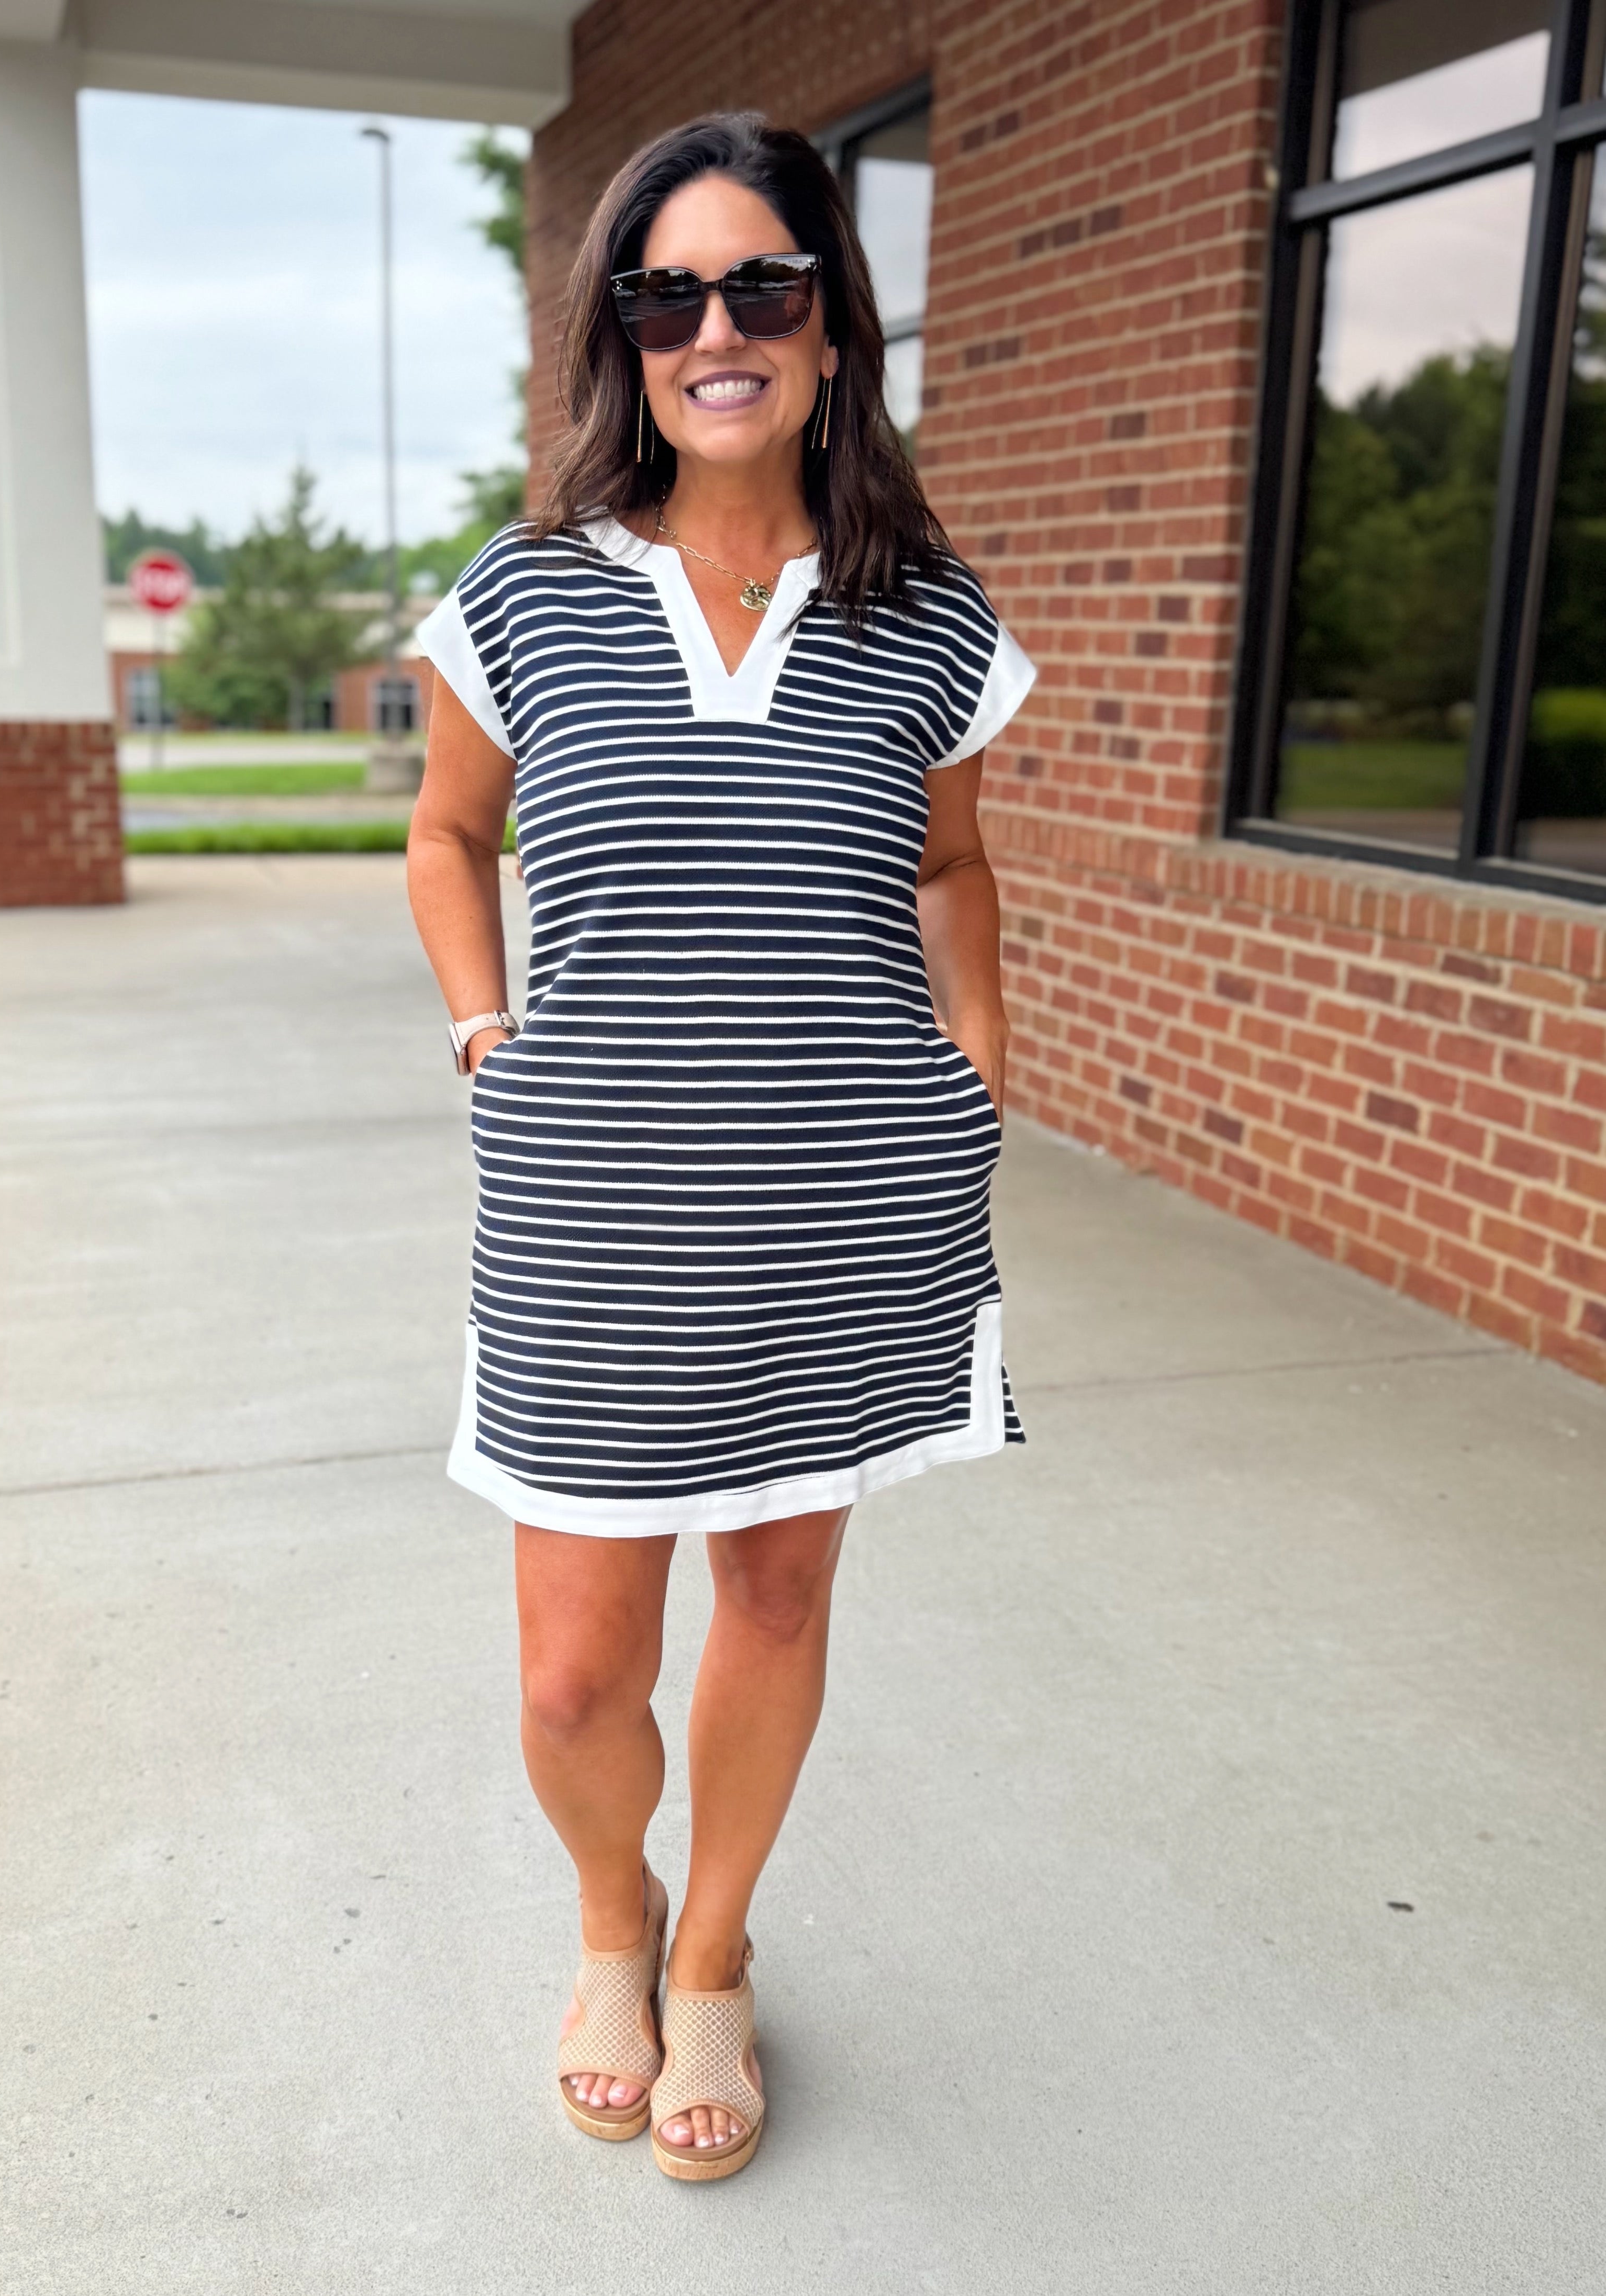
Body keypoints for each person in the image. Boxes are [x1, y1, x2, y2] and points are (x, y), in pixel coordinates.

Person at [407, 111, 1034, 2182]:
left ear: (832, 326)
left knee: (771, 1584)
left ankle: (711, 1959)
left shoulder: (924, 616)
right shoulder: (522, 597)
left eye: (758, 283)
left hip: (847, 1199)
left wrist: (976, 1055)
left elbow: (949, 863)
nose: (713, 328)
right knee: (577, 1663)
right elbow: (445, 831)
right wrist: (484, 1028)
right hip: (590, 1209)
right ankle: (610, 1914)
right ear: (624, 340)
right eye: (663, 294)